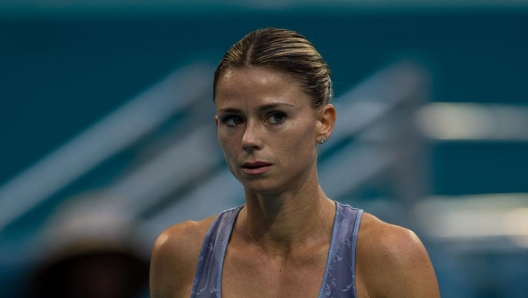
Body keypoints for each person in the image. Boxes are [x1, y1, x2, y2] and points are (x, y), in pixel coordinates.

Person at [150, 28, 440, 298]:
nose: (249, 138)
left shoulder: (390, 255)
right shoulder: (179, 253)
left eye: (275, 116)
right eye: (233, 120)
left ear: (324, 123)